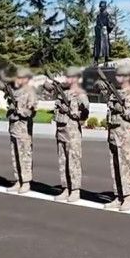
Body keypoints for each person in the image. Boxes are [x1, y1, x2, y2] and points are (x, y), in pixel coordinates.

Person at [47, 67, 90, 202]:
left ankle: (75, 190)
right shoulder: (62, 92)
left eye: (69, 77)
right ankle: (66, 188)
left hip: (72, 133)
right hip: (61, 132)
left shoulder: (80, 94)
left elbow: (84, 115)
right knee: (63, 161)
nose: (66, 79)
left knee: (73, 162)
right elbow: (48, 91)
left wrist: (71, 111)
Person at [104, 65, 130, 211]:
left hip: (124, 134)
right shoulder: (114, 93)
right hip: (113, 133)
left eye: (121, 76)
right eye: (117, 76)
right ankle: (118, 195)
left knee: (125, 165)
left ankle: (128, 197)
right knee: (114, 165)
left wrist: (125, 112)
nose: (118, 78)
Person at [5, 67, 38, 193]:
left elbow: (32, 112)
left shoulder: (30, 92)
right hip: (14, 128)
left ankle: (26, 182)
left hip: (23, 130)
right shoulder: (14, 91)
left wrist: (21, 111)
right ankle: (18, 179)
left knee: (25, 156)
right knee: (15, 156)